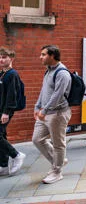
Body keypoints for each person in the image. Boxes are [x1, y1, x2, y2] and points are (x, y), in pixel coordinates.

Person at [33, 45, 72, 184]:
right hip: (45, 112)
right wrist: (37, 106)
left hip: (58, 114)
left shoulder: (62, 73)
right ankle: (59, 161)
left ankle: (57, 172)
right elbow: (44, 91)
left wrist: (45, 110)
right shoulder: (48, 71)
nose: (40, 57)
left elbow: (58, 95)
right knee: (37, 139)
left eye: (43, 54)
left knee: (58, 144)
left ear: (52, 56)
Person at [0, 47, 26, 176]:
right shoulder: (2, 73)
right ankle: (4, 165)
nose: (1, 59)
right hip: (0, 109)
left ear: (11, 59)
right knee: (2, 135)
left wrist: (6, 112)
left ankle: (16, 155)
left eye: (4, 57)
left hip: (5, 111)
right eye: (0, 57)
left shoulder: (12, 74)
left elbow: (12, 95)